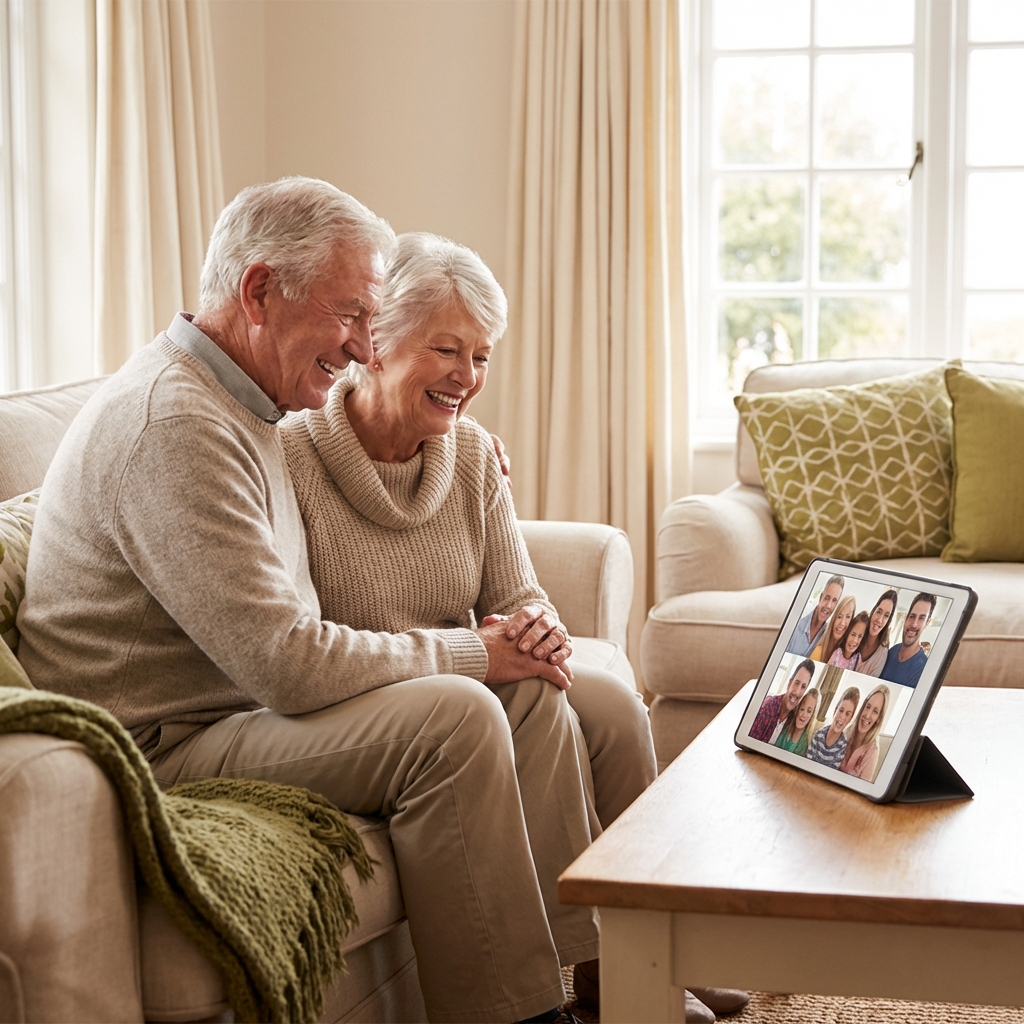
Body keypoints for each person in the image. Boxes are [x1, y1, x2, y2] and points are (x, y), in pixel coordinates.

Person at [16, 177, 625, 1023]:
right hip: (161, 746)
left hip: (231, 713)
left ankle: (603, 969)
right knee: (455, 715)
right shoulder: (177, 424)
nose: (365, 343)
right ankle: (516, 1017)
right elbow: (288, 662)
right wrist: (474, 651)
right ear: (260, 292)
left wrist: (498, 623)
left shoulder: (247, 405)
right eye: (350, 315)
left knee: (526, 689)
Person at [281, 232, 681, 1018]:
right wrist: (494, 656)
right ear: (377, 344)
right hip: (371, 692)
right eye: (447, 350)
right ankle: (592, 971)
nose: (468, 378)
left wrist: (538, 629)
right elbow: (303, 646)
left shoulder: (468, 455)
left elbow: (518, 588)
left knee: (607, 701)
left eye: (483, 356)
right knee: (533, 697)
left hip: (468, 670)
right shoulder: (291, 458)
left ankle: (647, 955)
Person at [749, 660, 814, 744]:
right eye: (796, 683)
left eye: (803, 687)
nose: (797, 692)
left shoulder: (794, 717)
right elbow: (750, 745)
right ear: (789, 683)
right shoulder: (768, 706)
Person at [881, 593, 937, 688]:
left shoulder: (923, 669)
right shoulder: (892, 651)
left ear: (927, 623)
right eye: (912, 616)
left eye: (921, 619)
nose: (914, 624)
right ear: (906, 618)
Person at [839, 685, 890, 781]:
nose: (867, 715)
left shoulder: (872, 751)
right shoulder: (846, 731)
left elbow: (861, 791)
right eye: (868, 707)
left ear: (879, 718)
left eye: (875, 711)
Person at [786, 576, 845, 657]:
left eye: (834, 601)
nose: (829, 605)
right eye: (827, 598)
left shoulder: (827, 636)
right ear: (821, 597)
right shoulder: (795, 625)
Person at [806, 686, 860, 769]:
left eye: (847, 714)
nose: (842, 717)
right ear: (835, 710)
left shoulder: (843, 746)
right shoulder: (818, 736)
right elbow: (807, 765)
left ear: (850, 718)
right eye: (841, 710)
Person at [850, 589, 897, 677]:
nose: (879, 620)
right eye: (879, 611)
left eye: (886, 616)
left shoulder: (882, 654)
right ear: (874, 610)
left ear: (888, 621)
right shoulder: (858, 630)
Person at [810, 595, 855, 663]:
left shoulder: (851, 657)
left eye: (848, 617)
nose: (842, 623)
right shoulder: (818, 651)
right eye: (839, 616)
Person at [774, 687, 819, 756]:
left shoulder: (807, 743)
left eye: (809, 711)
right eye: (802, 709)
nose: (803, 715)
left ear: (812, 716)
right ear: (798, 709)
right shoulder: (786, 728)